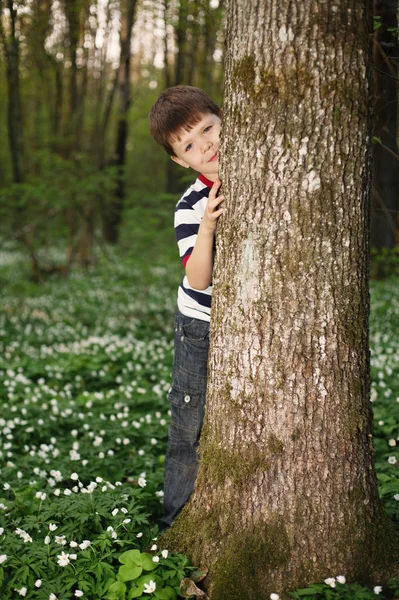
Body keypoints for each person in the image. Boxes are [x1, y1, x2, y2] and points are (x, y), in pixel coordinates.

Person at [149, 86, 224, 529]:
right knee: (189, 427)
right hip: (199, 324)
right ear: (181, 160)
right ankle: (174, 525)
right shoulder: (189, 206)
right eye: (191, 145)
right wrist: (208, 227)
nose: (207, 145)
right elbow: (199, 278)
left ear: (223, 119)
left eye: (209, 129)